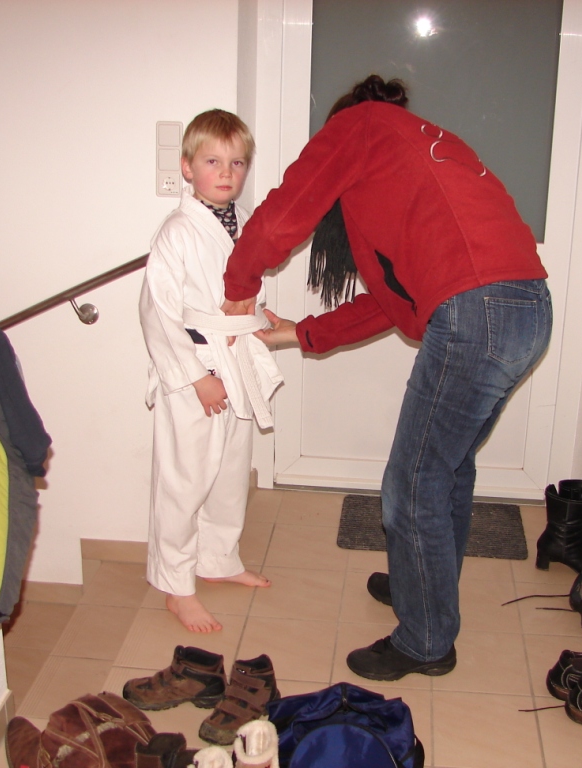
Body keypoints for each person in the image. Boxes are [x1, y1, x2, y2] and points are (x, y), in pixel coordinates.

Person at [222, 76, 552, 678]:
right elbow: (393, 302)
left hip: (477, 308)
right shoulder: (422, 150)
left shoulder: (361, 126)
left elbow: (280, 218)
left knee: (414, 480)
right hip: (527, 310)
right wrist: (301, 333)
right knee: (449, 466)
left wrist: (239, 284)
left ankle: (425, 641)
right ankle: (420, 589)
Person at [139, 109, 282, 633]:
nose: (226, 172)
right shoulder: (176, 231)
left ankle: (218, 559)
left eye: (237, 163)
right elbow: (156, 311)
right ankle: (176, 585)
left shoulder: (243, 220)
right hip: (195, 366)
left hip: (236, 357)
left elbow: (242, 287)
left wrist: (259, 316)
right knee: (186, 477)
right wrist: (195, 377)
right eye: (213, 161)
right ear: (187, 167)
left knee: (229, 470)